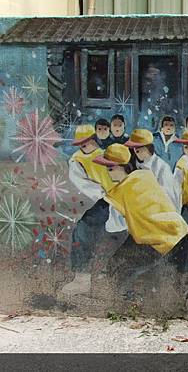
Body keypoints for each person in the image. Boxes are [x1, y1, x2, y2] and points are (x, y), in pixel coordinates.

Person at [93, 144, 188, 282]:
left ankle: (123, 297)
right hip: (180, 231)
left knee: (121, 271)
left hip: (159, 239)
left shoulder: (120, 190)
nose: (108, 173)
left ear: (121, 167)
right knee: (181, 278)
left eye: (110, 168)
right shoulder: (146, 176)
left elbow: (113, 226)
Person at [61, 125, 115, 295]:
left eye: (90, 141)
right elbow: (82, 184)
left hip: (123, 197)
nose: (88, 146)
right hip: (103, 201)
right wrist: (103, 193)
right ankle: (82, 279)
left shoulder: (109, 152)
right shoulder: (76, 160)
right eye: (83, 144)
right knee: (82, 231)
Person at [125, 128, 180, 209]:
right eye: (134, 147)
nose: (136, 150)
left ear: (149, 147)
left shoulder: (162, 168)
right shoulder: (131, 165)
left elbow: (170, 199)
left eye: (139, 147)